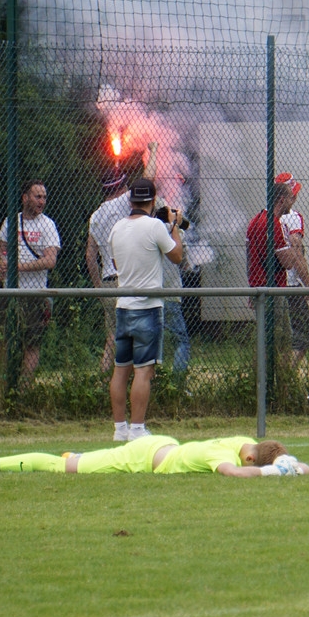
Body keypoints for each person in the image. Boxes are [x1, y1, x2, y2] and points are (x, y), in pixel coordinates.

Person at [108, 178, 183, 441]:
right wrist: (174, 226)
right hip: (148, 308)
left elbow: (116, 263)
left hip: (123, 307)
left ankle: (120, 429)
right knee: (144, 371)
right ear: (152, 201)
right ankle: (137, 429)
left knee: (121, 370)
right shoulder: (155, 226)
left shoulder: (117, 227)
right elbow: (177, 256)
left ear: (131, 200)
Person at [86, 156, 159, 373]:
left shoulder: (95, 216)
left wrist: (98, 287)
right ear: (122, 187)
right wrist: (153, 150)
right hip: (127, 280)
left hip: (107, 282)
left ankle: (103, 378)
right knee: (137, 334)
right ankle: (138, 377)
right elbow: (148, 180)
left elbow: (90, 255)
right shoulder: (123, 202)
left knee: (112, 336)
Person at [0, 180, 61, 384]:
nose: (42, 201)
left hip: (34, 294)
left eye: (44, 197)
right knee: (1, 338)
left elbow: (50, 260)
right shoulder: (11, 221)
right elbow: (1, 252)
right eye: (37, 196)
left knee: (32, 343)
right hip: (9, 291)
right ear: (25, 197)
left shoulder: (47, 224)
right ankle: (6, 382)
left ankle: (24, 387)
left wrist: (17, 267)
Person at [0, 435, 309, 477]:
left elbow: (306, 468)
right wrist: (275, 473)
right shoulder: (224, 458)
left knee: (82, 459)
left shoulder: (247, 442)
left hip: (161, 444)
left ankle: (81, 455)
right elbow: (233, 474)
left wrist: (292, 465)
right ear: (250, 460)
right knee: (61, 467)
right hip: (141, 457)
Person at [245, 182, 300, 385]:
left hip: (257, 286)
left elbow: (249, 257)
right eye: (290, 198)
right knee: (282, 340)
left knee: (263, 339)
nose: (292, 203)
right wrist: (295, 246)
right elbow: (288, 262)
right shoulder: (276, 225)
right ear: (282, 199)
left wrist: (252, 285)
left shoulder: (255, 221)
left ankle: (258, 383)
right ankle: (281, 385)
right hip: (274, 290)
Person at [276, 172, 309, 366]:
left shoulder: (268, 216)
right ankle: (289, 373)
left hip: (275, 283)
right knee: (303, 335)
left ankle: (281, 373)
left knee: (282, 336)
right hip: (291, 285)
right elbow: (297, 253)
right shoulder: (293, 217)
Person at [162, 242, 191, 383]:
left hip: (149, 294)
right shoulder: (175, 233)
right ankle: (177, 382)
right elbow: (184, 262)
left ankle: (155, 380)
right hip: (171, 293)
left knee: (154, 340)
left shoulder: (145, 231)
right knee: (181, 340)